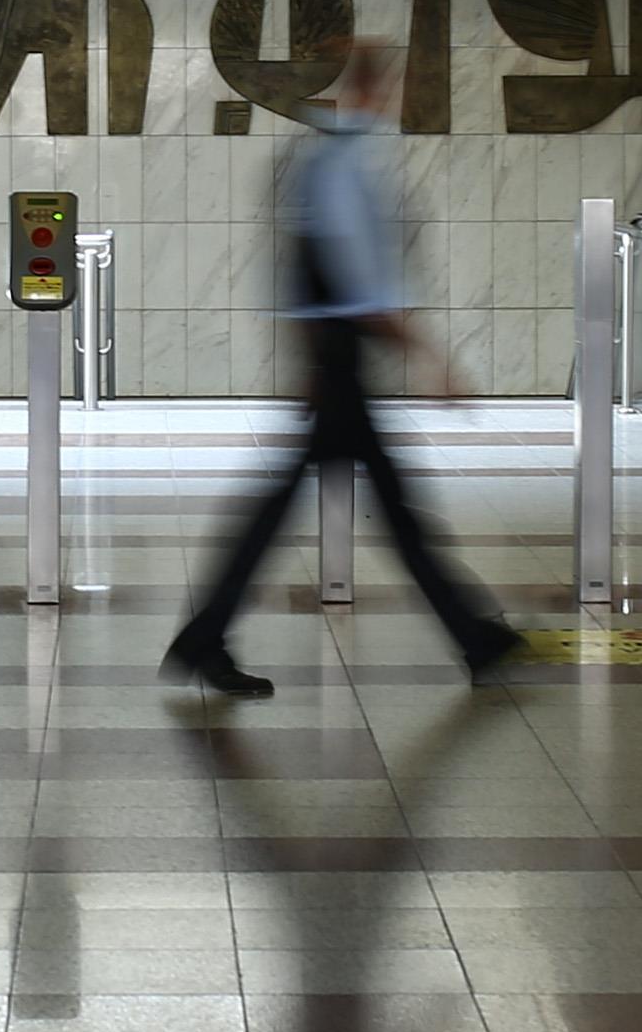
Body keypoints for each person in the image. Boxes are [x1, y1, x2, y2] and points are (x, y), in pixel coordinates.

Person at [162, 41, 521, 699]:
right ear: (373, 88)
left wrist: (311, 353)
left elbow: (306, 264)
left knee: (359, 507)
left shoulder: (324, 154)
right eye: (391, 86)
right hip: (342, 356)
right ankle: (205, 635)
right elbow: (358, 278)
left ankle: (474, 636)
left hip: (334, 356)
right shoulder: (346, 161)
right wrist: (428, 356)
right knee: (364, 510)